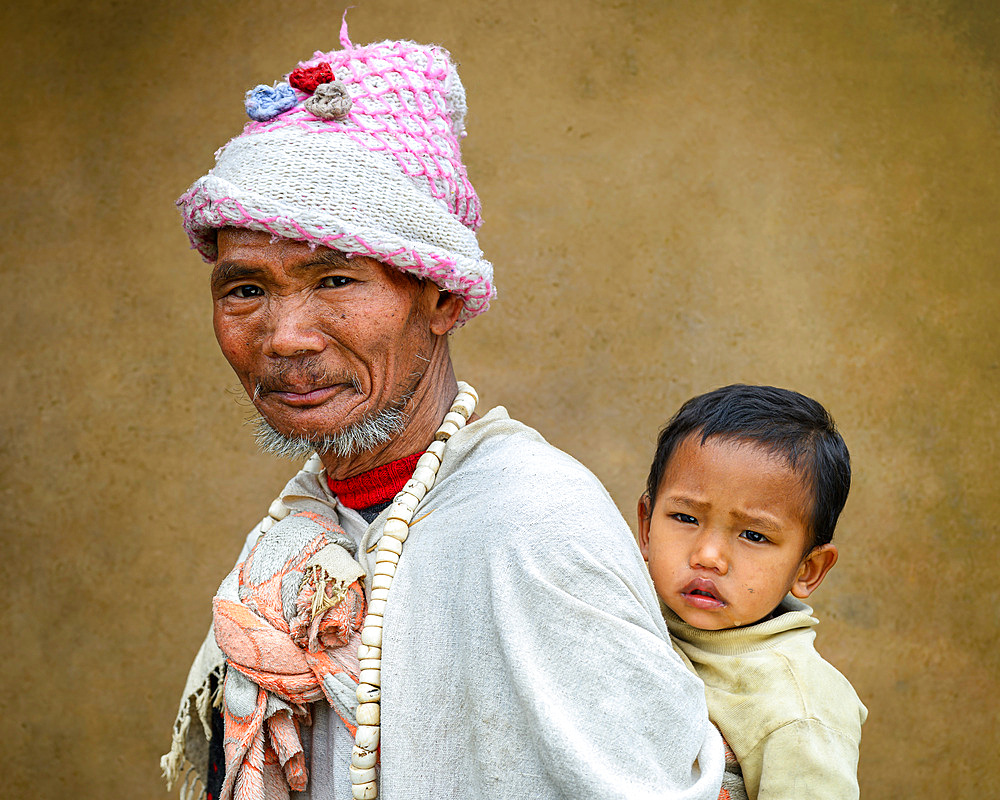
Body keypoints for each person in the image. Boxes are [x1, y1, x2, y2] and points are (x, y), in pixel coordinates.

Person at [161, 25, 725, 800]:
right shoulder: (294, 538)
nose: (284, 339)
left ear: (442, 297)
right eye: (245, 290)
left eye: (335, 281)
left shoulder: (535, 525)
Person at [636, 384, 868, 800]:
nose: (708, 556)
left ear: (807, 568)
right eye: (685, 516)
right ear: (646, 525)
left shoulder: (800, 709)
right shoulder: (621, 612)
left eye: (753, 535)